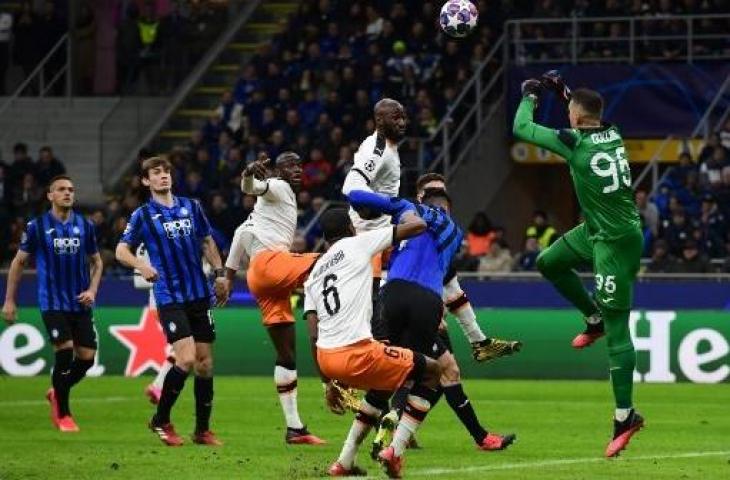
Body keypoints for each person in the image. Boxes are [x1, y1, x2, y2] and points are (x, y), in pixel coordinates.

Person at [514, 71, 644, 457]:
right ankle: (592, 319)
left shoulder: (573, 143)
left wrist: (531, 94)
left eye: (569, 111)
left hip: (615, 242)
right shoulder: (612, 131)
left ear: (573, 118)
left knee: (619, 328)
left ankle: (626, 416)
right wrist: (564, 92)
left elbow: (521, 127)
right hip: (598, 228)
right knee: (549, 262)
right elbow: (586, 112)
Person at [348, 188, 516, 477]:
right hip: (423, 303)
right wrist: (478, 339)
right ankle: (395, 437)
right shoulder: (454, 234)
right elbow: (452, 291)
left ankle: (348, 456)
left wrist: (370, 211)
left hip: (387, 299)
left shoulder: (405, 213)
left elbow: (355, 194)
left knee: (411, 369)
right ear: (443, 206)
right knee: (431, 372)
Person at [304, 207, 440, 477]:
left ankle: (344, 461)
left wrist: (328, 383)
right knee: (435, 371)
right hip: (357, 352)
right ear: (351, 228)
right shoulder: (358, 244)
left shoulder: (315, 272)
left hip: (327, 359)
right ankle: (396, 450)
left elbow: (313, 334)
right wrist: (409, 211)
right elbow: (417, 228)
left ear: (324, 237)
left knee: (380, 390)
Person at [116, 156, 229, 447]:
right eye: (156, 173)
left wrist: (219, 274)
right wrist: (141, 265)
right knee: (187, 358)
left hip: (198, 293)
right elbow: (120, 251)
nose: (163, 176)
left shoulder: (191, 206)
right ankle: (160, 420)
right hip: (170, 296)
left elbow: (206, 241)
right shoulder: (142, 215)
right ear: (146, 181)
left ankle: (202, 430)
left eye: (166, 171)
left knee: (205, 363)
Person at [224, 152, 325, 445]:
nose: (296, 169)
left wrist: (228, 277)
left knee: (287, 355)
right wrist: (248, 174)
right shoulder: (277, 187)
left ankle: (295, 428)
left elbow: (240, 233)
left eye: (299, 165)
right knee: (333, 260)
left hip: (261, 278)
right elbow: (252, 187)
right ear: (278, 171)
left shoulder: (258, 216)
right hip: (271, 264)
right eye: (289, 166)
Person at [2, 175, 103, 432]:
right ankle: (64, 414)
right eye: (61, 189)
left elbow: (97, 261)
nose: (67, 193)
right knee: (65, 349)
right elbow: (18, 263)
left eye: (71, 189)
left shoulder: (86, 225)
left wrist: (92, 290)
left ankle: (57, 389)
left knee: (87, 358)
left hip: (80, 303)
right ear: (50, 195)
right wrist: (9, 300)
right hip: (53, 303)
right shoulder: (37, 226)